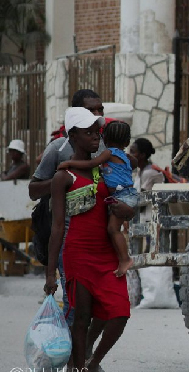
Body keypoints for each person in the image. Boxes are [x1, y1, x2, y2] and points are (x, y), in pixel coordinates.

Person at [44, 107, 133, 372]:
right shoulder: (63, 176)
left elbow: (125, 200)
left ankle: (93, 361)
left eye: (98, 132)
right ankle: (79, 367)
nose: (96, 137)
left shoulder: (105, 169)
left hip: (107, 254)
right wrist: (50, 273)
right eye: (89, 133)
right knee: (81, 318)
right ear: (72, 136)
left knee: (120, 312)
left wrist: (129, 211)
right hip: (78, 254)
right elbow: (57, 227)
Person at [29, 89, 107, 332]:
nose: (97, 114)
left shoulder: (104, 147)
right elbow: (33, 190)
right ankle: (70, 358)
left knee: (106, 306)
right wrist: (62, 182)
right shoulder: (58, 149)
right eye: (90, 110)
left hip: (100, 236)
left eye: (99, 109)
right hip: (68, 237)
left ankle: (84, 357)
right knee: (76, 306)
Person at [57, 120, 138, 277]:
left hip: (121, 196)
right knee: (114, 228)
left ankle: (124, 259)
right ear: (127, 142)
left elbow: (92, 163)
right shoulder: (125, 157)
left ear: (104, 140)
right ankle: (121, 258)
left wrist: (69, 162)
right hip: (128, 194)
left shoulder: (109, 153)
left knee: (113, 229)